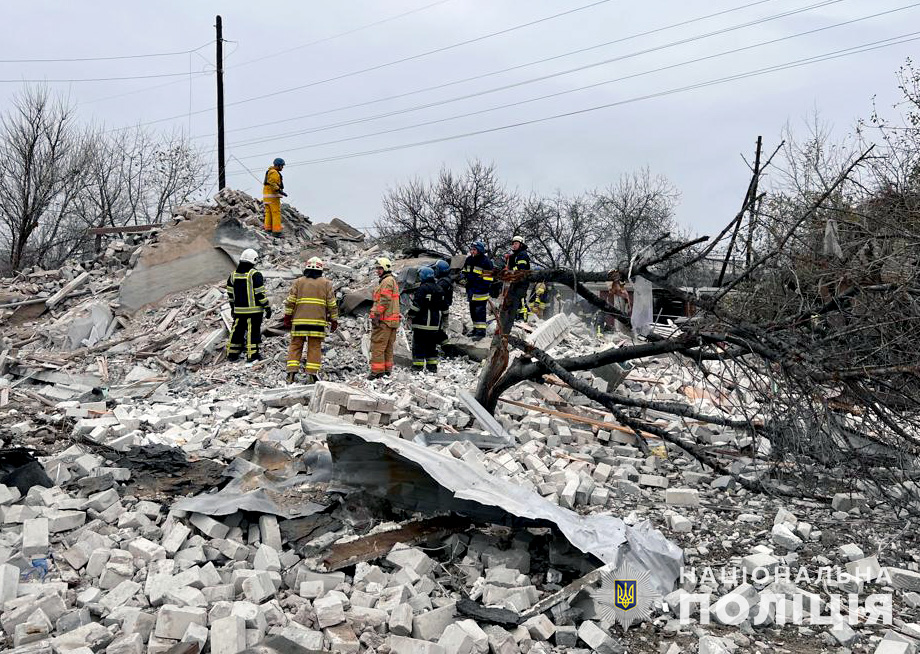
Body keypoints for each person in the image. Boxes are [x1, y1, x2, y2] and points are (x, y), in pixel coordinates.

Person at [283, 257, 338, 384]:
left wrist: (287, 316)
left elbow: (290, 301)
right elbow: (332, 304)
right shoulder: (326, 283)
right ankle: (311, 375)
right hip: (317, 323)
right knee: (314, 347)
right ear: (321, 269)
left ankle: (291, 374)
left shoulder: (298, 282)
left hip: (299, 321)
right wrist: (334, 319)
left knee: (296, 345)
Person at [226, 248, 271, 362]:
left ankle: (232, 354)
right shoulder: (255, 275)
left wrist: (232, 308)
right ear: (254, 260)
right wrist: (267, 307)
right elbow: (260, 294)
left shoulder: (233, 275)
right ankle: (252, 355)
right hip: (254, 311)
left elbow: (230, 295)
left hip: (239, 311)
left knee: (237, 331)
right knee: (253, 332)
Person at [368, 257, 400, 379]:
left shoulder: (386, 281)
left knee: (378, 346)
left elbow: (384, 300)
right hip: (391, 321)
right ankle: (387, 370)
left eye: (380, 268)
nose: (377, 271)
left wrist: (376, 315)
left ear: (386, 268)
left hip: (384, 321)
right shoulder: (391, 280)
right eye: (377, 268)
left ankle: (377, 372)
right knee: (387, 347)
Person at [408, 267, 443, 373]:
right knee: (431, 346)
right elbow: (443, 306)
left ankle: (418, 367)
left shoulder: (422, 289)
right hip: (434, 324)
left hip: (421, 324)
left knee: (419, 346)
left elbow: (417, 306)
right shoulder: (439, 288)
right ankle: (432, 367)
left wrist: (410, 316)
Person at [461, 241, 493, 340]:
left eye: (474, 249)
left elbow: (488, 279)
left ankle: (481, 333)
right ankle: (475, 330)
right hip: (471, 291)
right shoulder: (469, 259)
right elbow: (464, 271)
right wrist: (463, 279)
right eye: (471, 249)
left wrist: (478, 288)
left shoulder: (486, 262)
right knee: (473, 312)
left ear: (480, 250)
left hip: (480, 292)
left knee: (480, 312)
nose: (472, 251)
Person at [502, 234, 531, 332]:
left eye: (516, 243)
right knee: (512, 301)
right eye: (513, 244)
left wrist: (509, 269)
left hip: (521, 283)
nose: (514, 245)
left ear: (521, 245)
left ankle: (523, 319)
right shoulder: (515, 255)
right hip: (515, 282)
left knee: (520, 301)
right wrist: (508, 260)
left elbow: (521, 269)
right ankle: (513, 318)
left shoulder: (522, 255)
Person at [263, 157, 287, 237]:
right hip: (273, 197)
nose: (282, 167)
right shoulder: (274, 172)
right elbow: (272, 182)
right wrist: (279, 190)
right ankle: (276, 232)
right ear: (278, 165)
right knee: (276, 213)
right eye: (282, 166)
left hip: (267, 197)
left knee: (268, 213)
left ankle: (268, 229)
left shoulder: (270, 171)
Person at [433, 259, 454, 343]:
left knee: (440, 328)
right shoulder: (446, 280)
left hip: (441, 308)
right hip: (444, 307)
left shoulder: (443, 282)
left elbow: (436, 294)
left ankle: (445, 346)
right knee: (441, 327)